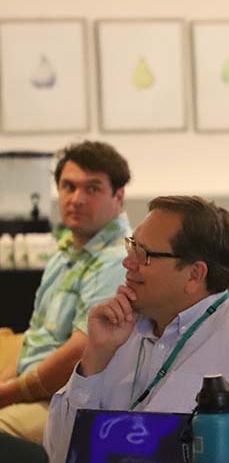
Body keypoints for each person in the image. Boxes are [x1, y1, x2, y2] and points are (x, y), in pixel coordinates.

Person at [44, 196, 229, 463]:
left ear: (194, 275)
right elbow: (58, 457)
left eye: (144, 254)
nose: (127, 262)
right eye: (132, 246)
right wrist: (95, 357)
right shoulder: (121, 330)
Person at [0, 141, 131, 443]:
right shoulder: (64, 254)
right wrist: (9, 384)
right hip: (36, 395)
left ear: (119, 196)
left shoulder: (118, 259)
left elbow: (81, 355)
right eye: (68, 187)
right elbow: (36, 339)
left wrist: (11, 393)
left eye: (92, 188)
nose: (77, 199)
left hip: (74, 404)